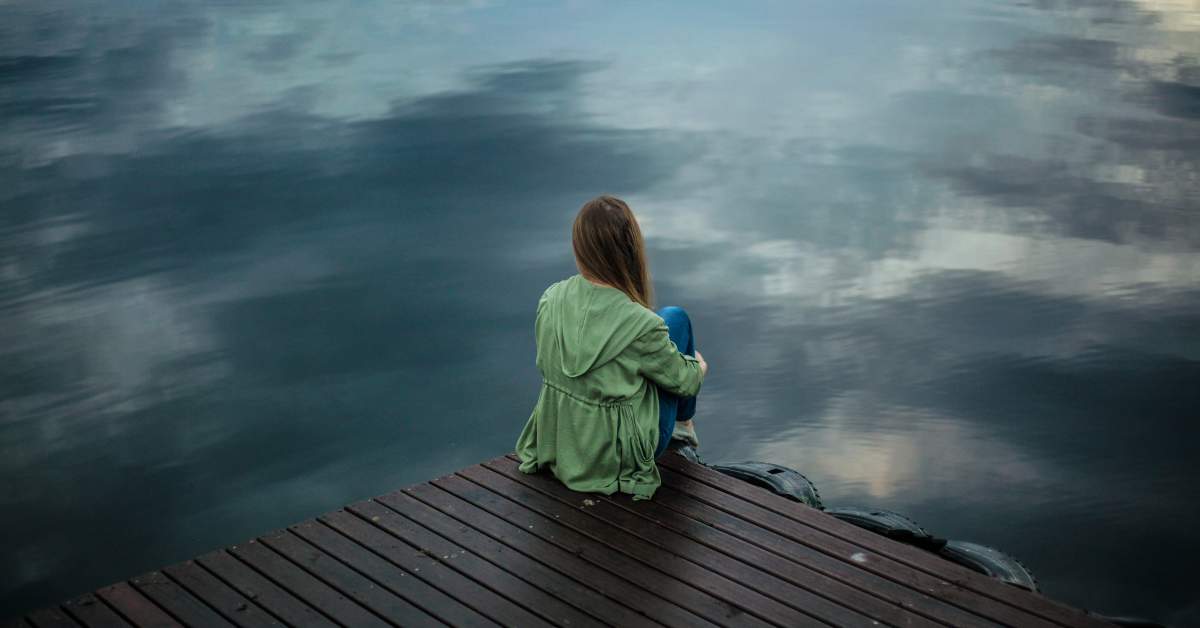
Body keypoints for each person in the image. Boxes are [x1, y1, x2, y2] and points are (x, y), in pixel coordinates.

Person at [515, 195, 708, 500]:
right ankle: (683, 429)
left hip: (563, 442)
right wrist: (697, 365)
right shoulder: (642, 325)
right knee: (675, 317)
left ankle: (679, 425)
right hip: (618, 457)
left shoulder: (550, 299)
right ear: (631, 250)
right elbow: (689, 383)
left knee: (663, 328)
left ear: (580, 248)